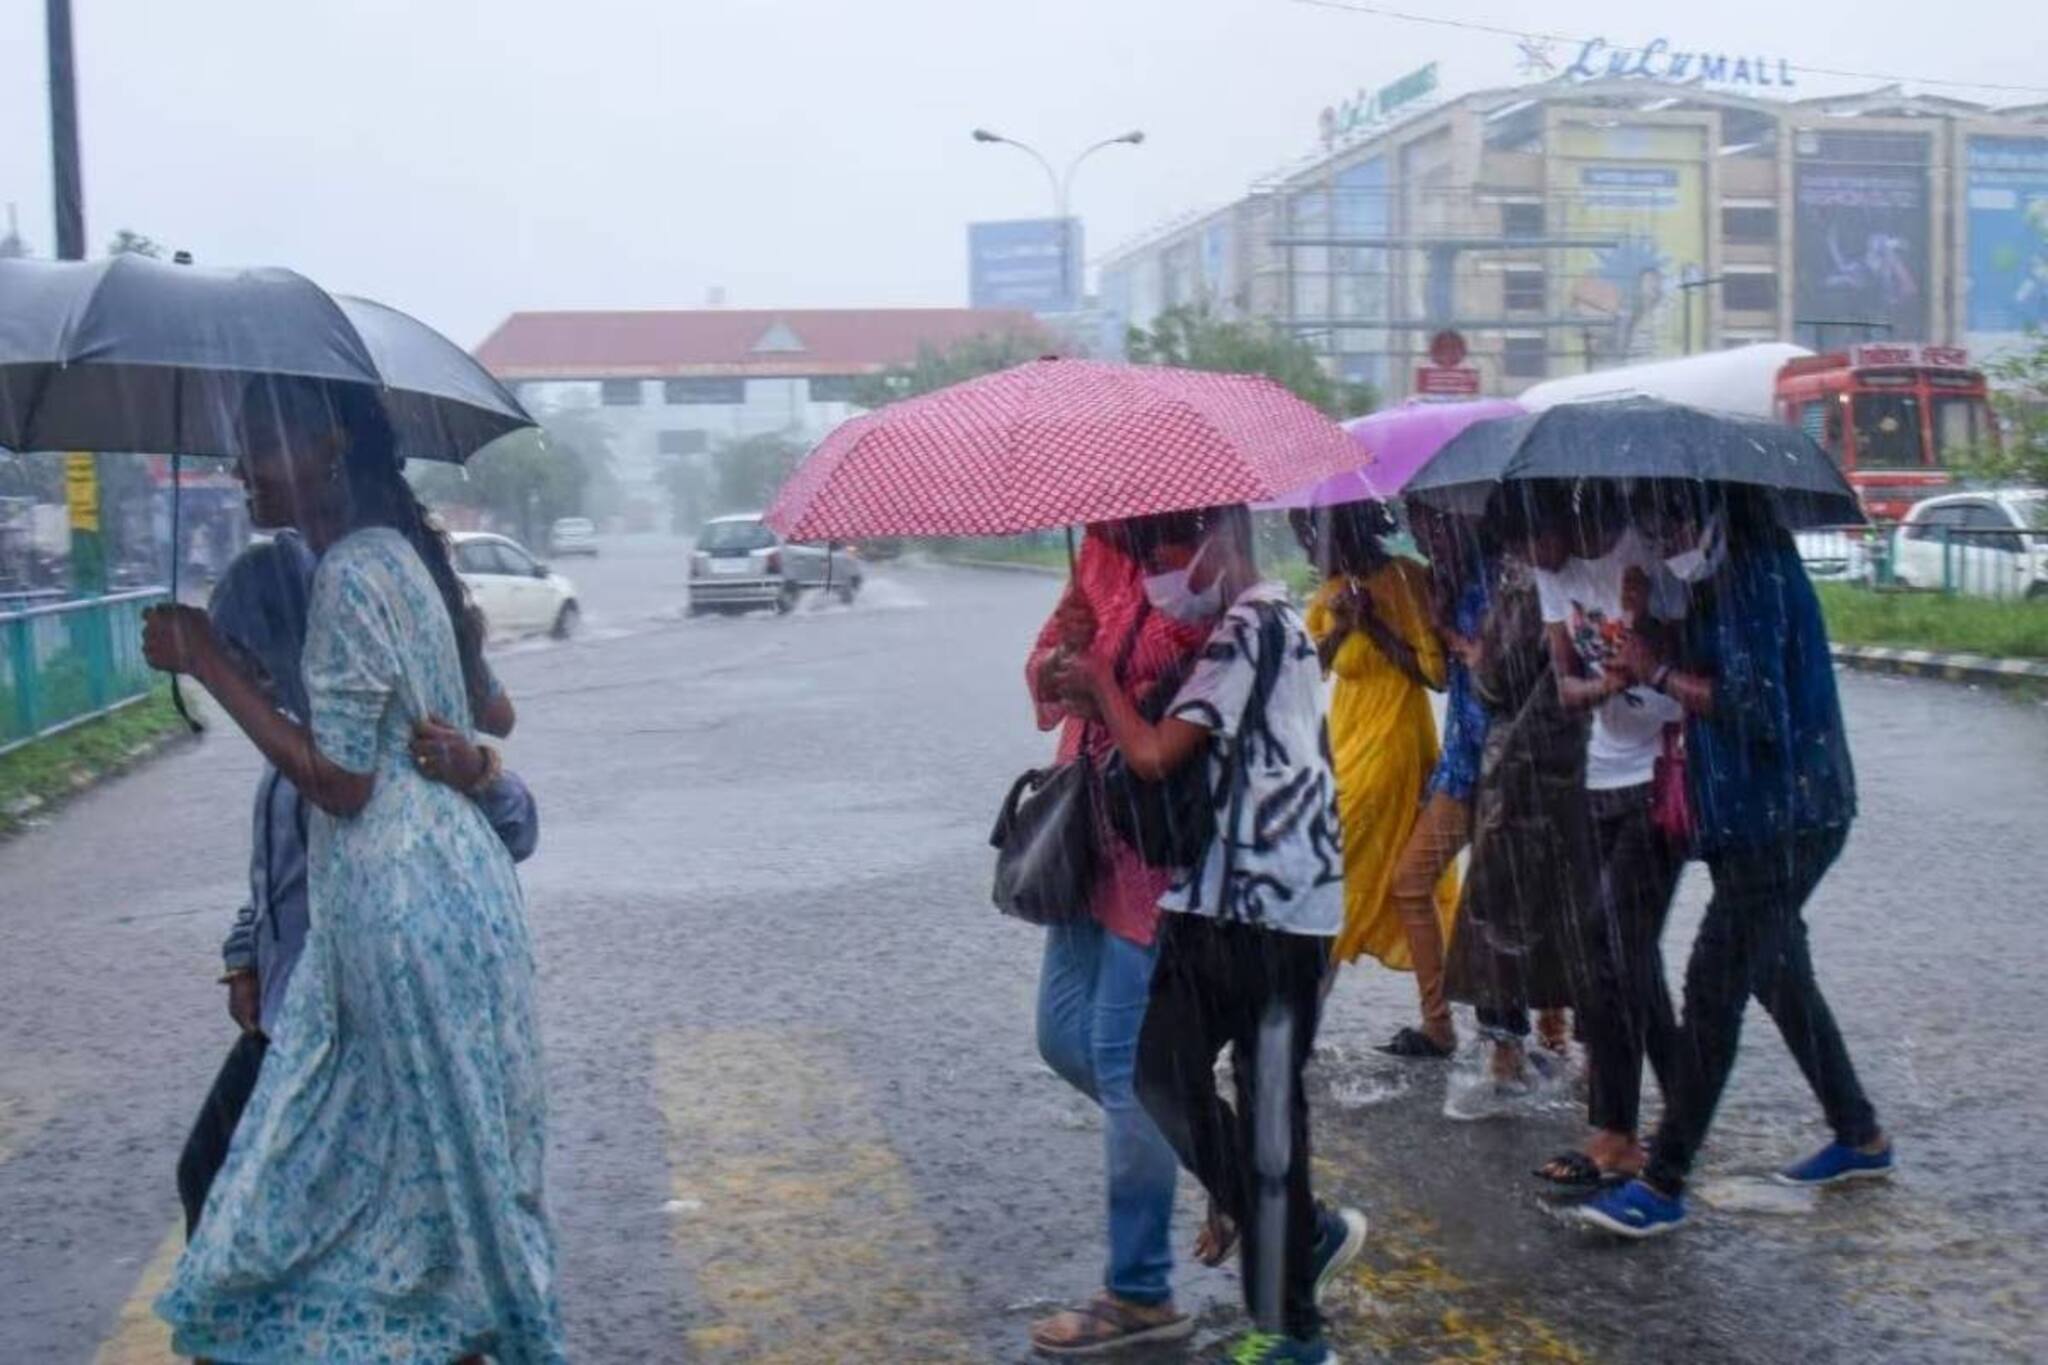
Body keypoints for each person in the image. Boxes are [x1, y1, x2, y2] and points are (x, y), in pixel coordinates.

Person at [141, 377, 565, 1365]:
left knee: (309, 1193)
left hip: (396, 915)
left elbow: (340, 782)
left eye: (260, 441)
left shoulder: (348, 573)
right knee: (435, 1193)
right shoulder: (396, 559)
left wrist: (209, 662)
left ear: (330, 442)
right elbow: (463, 725)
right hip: (437, 905)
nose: (239, 466)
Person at [1058, 506, 1366, 1365]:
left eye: (1168, 551)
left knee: (1264, 1110)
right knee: (1163, 1071)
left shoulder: (1255, 624)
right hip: (1220, 897)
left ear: (1221, 539)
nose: (1161, 573)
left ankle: (1294, 1330)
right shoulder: (1250, 626)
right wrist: (1091, 676)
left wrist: (1103, 686)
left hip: (1276, 906)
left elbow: (1157, 754)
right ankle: (1300, 1232)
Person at [176, 529, 541, 1237]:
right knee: (222, 1184)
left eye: (246, 655)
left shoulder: (370, 745)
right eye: (231, 658)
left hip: (347, 1035)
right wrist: (244, 956)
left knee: (231, 1188)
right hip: (287, 1021)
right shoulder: (287, 750)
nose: (244, 677)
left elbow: (516, 828)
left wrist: (474, 769)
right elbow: (275, 881)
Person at [1576, 490, 1890, 1239]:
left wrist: (1657, 670)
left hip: (1789, 818)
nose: (1662, 540)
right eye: (1653, 527)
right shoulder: (1724, 575)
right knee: (1779, 974)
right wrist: (1646, 627)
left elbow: (1757, 708)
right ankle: (1859, 1133)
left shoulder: (1757, 577)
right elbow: (1702, 660)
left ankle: (1663, 1179)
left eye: (1670, 523)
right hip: (1750, 816)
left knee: (1712, 986)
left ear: (1710, 512)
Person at [1023, 521, 1208, 1356]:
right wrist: (1062, 660)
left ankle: (1141, 1290)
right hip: (1082, 837)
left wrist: (1104, 675)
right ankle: (1234, 1169)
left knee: (1128, 1067)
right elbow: (1041, 675)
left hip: (1153, 848)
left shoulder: (1198, 568)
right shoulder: (1096, 551)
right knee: (1062, 1036)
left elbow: (1192, 697)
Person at [1523, 482, 1688, 1191]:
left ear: (1562, 518)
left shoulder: (1643, 559)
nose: (1532, 559)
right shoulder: (1551, 574)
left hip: (1661, 772)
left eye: (1533, 541)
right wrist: (1606, 684)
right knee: (1624, 953)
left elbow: (1683, 664)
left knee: (1613, 941)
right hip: (1603, 774)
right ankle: (1684, 1105)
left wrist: (1642, 622)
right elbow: (1567, 688)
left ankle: (1616, 1132)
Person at [1295, 503, 1457, 1058]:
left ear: (1346, 531)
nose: (1309, 551)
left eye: (1313, 536)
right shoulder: (1332, 591)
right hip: (1344, 748)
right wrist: (1342, 625)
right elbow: (1307, 667)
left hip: (1393, 746)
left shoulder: (1406, 580)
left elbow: (1435, 674)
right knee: (1392, 881)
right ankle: (1438, 1020)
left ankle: (1298, 1025)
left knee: (1335, 878)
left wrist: (1374, 624)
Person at [1440, 539, 1589, 1093]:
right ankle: (1584, 1048)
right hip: (1582, 765)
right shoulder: (1599, 570)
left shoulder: (1526, 582)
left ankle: (1507, 1052)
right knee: (1579, 911)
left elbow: (1495, 678)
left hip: (1521, 765)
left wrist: (1473, 652)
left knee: (1498, 914)